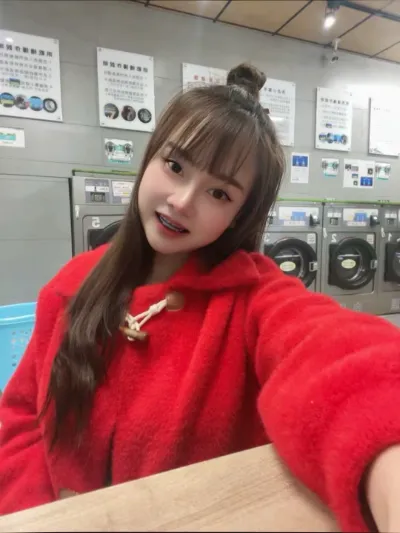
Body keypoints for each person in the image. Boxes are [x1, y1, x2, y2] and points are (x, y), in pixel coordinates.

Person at [1, 63, 400, 532]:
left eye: (219, 193)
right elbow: (21, 416)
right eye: (175, 166)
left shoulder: (253, 298)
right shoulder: (73, 283)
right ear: (150, 157)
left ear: (239, 216)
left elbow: (338, 354)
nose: (183, 201)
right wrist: (39, 513)